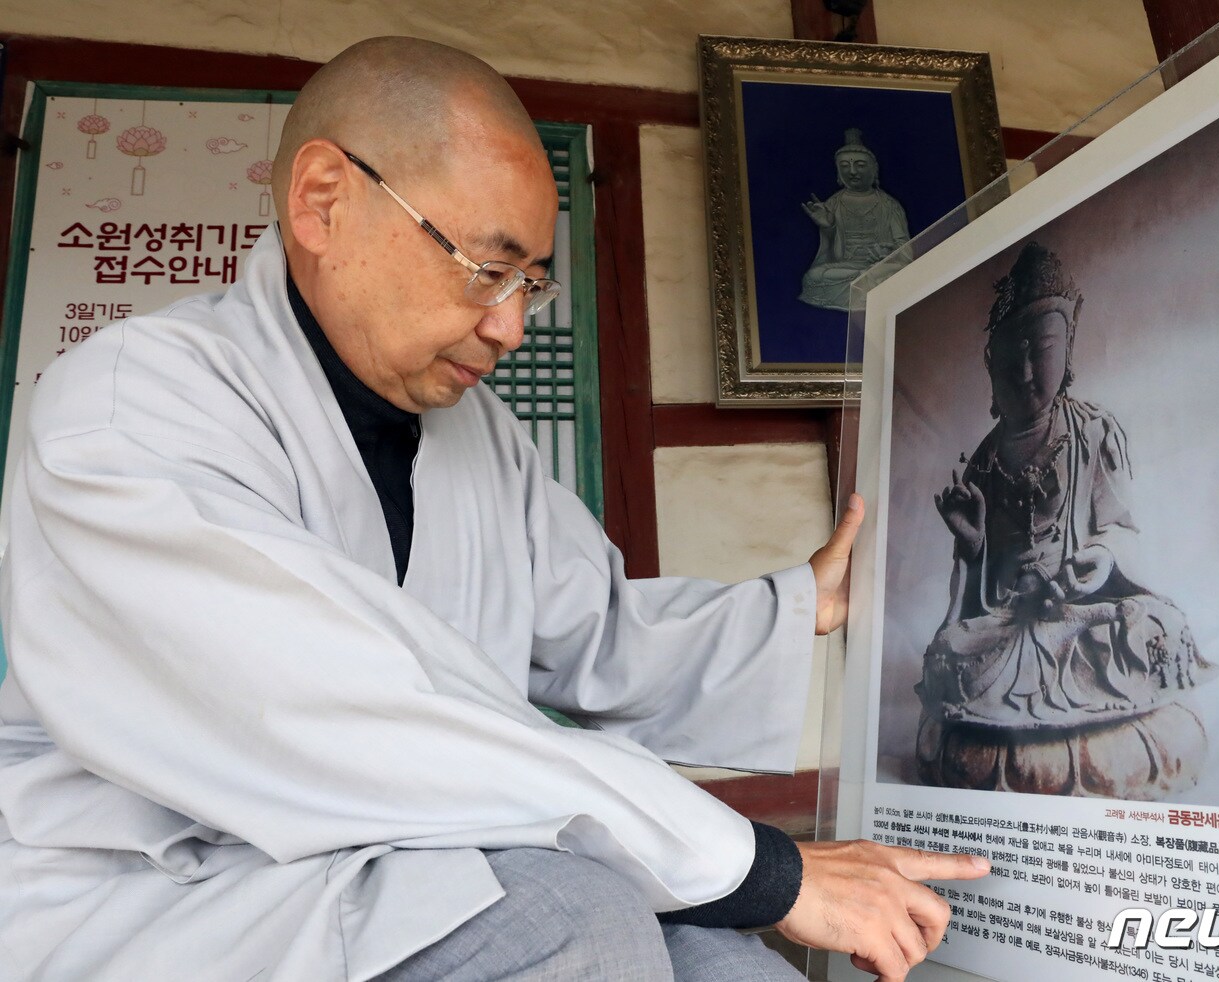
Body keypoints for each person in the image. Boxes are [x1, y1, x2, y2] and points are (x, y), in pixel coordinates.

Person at [0, 37, 988, 982]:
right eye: (484, 266)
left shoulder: (479, 439)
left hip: (393, 860)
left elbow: (597, 633)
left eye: (530, 281)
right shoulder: (132, 404)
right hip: (169, 889)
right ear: (321, 200)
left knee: (725, 961)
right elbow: (339, 706)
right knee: (573, 924)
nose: (509, 325)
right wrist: (760, 865)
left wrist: (794, 604)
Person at [917, 242, 1214, 794]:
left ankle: (1039, 736)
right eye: (1011, 355)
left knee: (1149, 627)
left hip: (1081, 612)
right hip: (1009, 623)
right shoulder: (982, 461)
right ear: (990, 363)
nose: (1026, 371)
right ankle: (1050, 736)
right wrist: (973, 547)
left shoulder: (1092, 435)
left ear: (1068, 352)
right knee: (951, 650)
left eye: (1043, 349)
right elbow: (977, 592)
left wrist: (1097, 566)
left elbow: (1121, 530)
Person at [799, 128, 910, 311]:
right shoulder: (833, 204)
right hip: (845, 267)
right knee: (813, 276)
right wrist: (828, 227)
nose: (852, 172)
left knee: (897, 272)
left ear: (874, 169)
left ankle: (867, 281)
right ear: (838, 172)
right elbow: (830, 254)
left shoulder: (889, 205)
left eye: (859, 165)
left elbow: (905, 248)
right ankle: (865, 282)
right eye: (844, 166)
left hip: (880, 266)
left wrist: (889, 252)